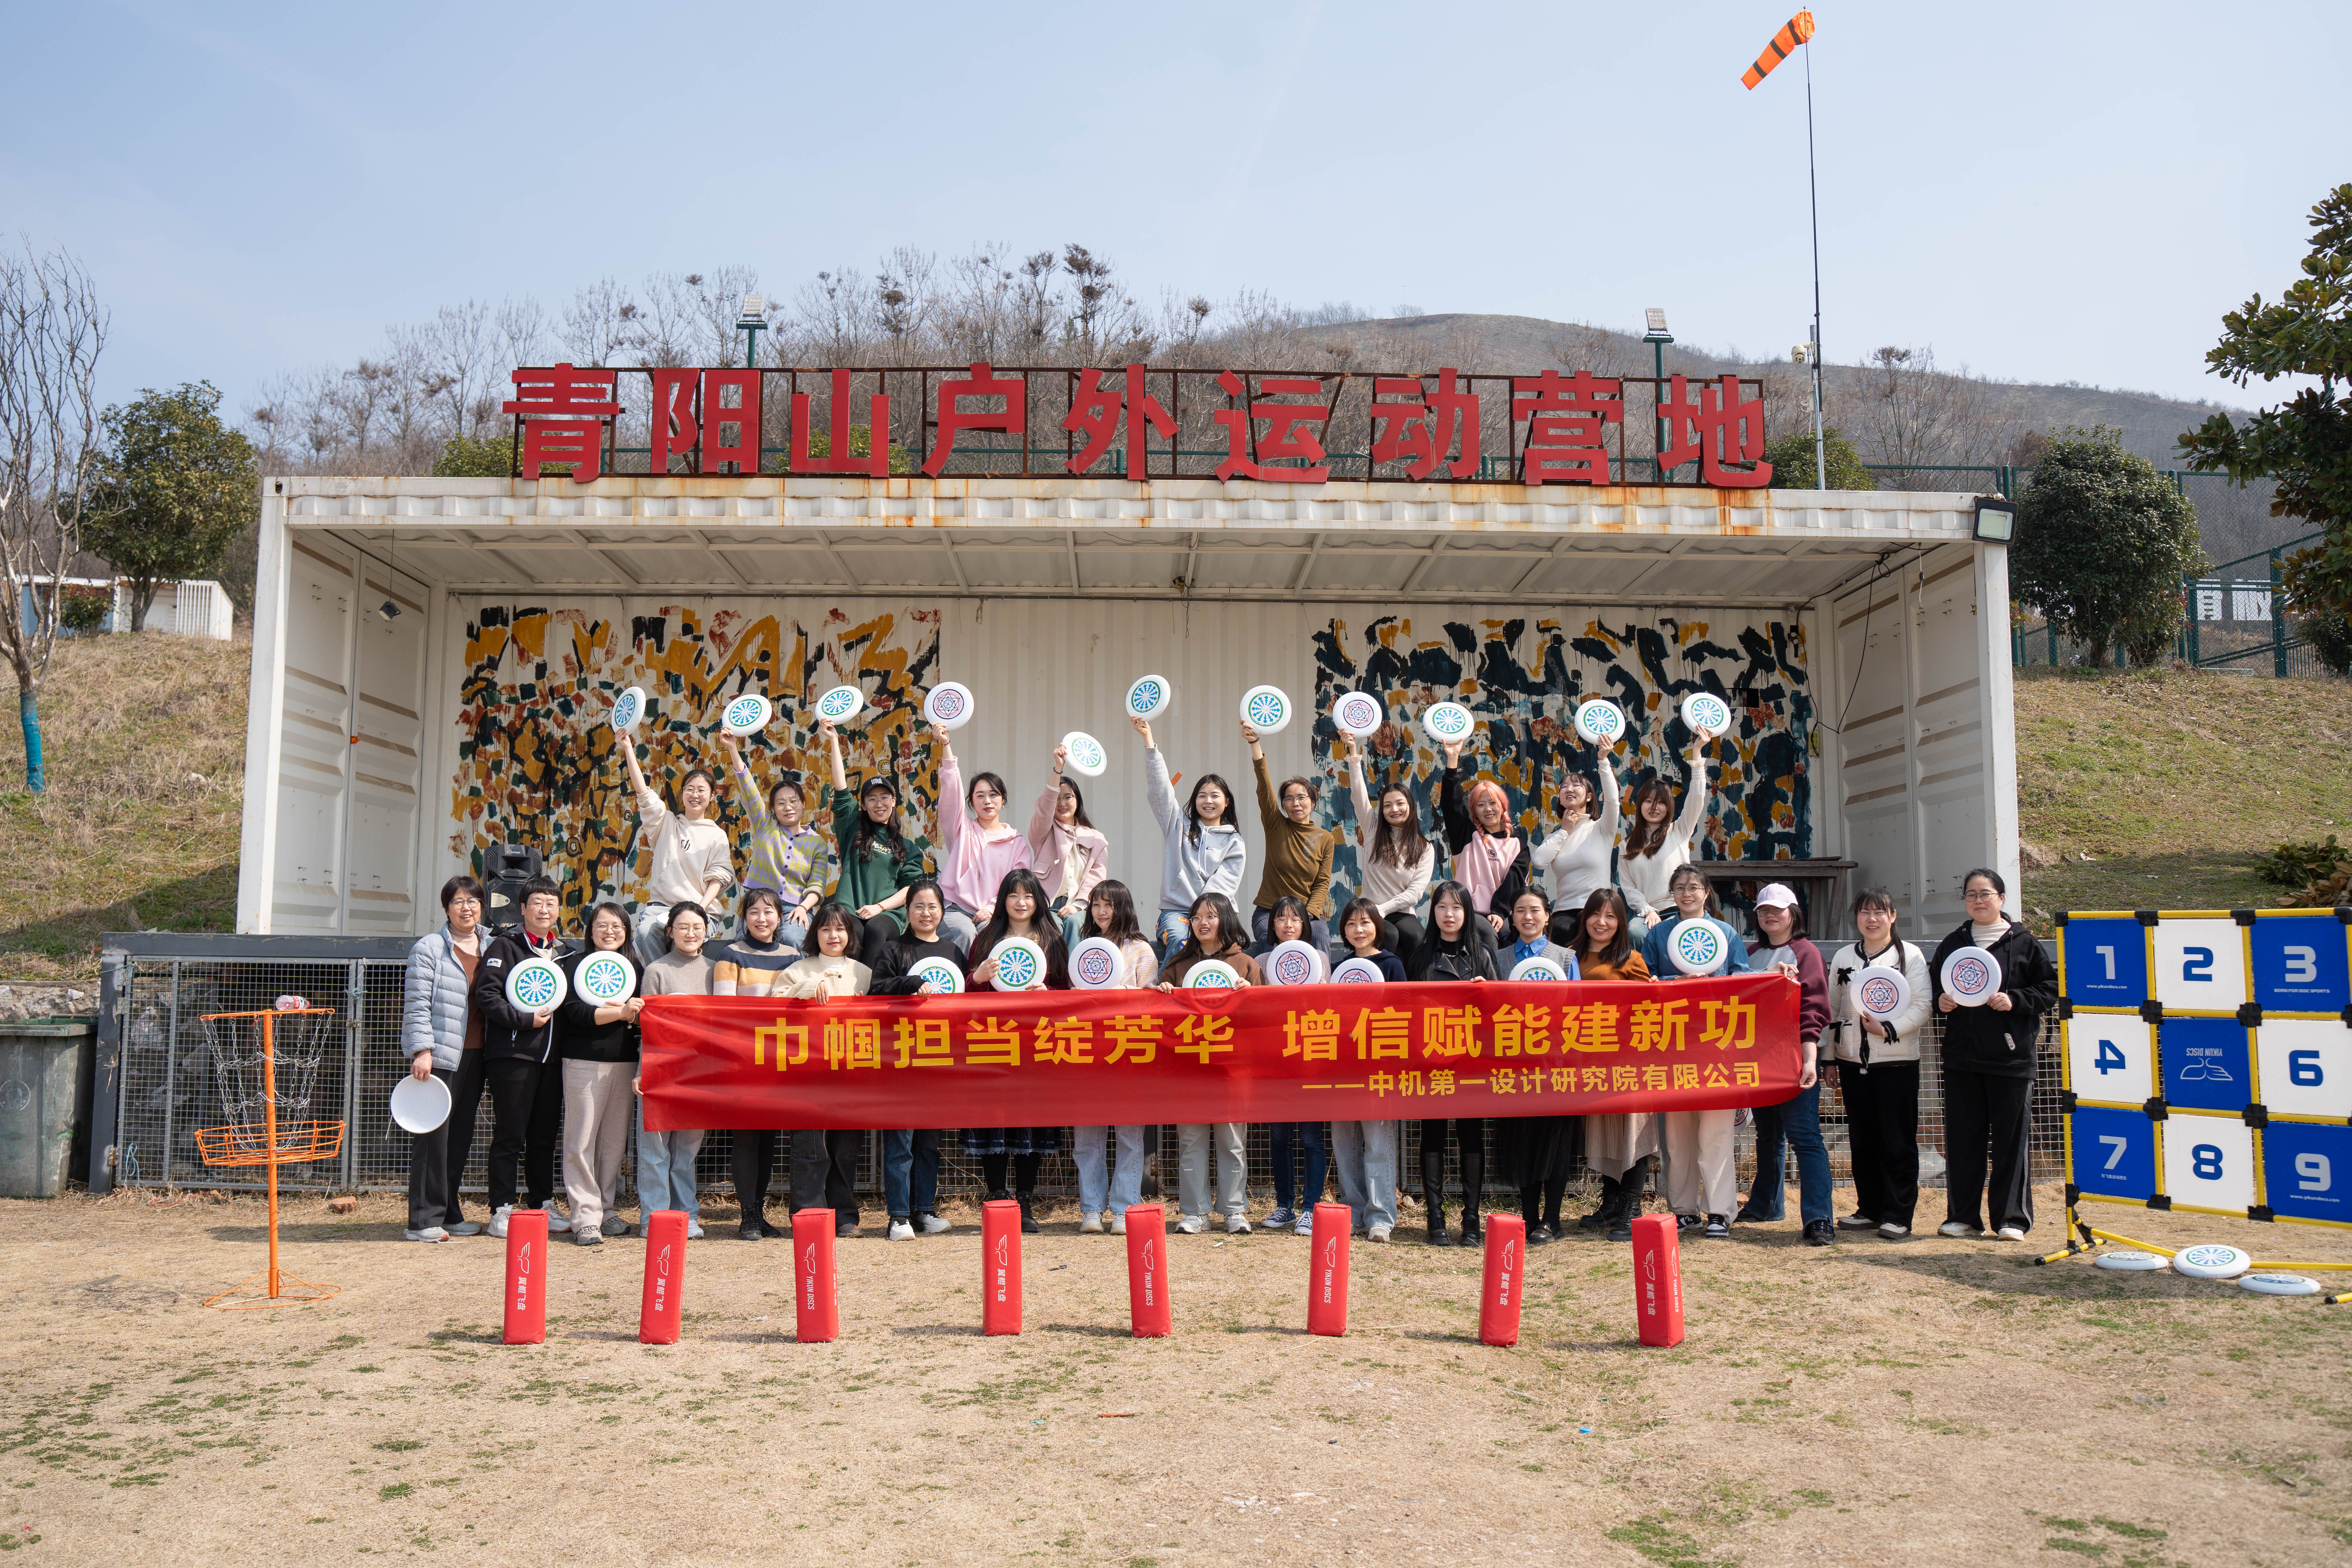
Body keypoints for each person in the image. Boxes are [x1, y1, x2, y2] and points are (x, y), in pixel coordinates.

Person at [1932, 868, 2058, 1242]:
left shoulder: (2024, 943)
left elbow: (2049, 989)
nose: (1978, 900)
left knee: (2011, 1141)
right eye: (1971, 894)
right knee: (1963, 1140)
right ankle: (1963, 1218)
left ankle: (2012, 1219)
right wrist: (1942, 1002)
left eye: (1985, 893)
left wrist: (2015, 1000)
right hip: (1962, 1059)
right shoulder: (1954, 943)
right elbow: (1934, 985)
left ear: (2001, 899)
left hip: (2011, 1059)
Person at [1640, 864, 1752, 1239]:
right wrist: (1677, 982)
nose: (1687, 894)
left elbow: (1743, 979)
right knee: (1677, 1136)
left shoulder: (1727, 933)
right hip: (1672, 1045)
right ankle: (1683, 1209)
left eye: (1694, 888)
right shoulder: (1658, 934)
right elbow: (1644, 982)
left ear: (1706, 893)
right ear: (1672, 894)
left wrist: (1713, 984)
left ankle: (1720, 1211)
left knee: (1716, 1132)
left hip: (1717, 1044)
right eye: (1680, 888)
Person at [965, 868, 1071, 1233]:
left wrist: (1049, 994)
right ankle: (997, 1199)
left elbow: (1068, 992)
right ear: (1003, 901)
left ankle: (1025, 1202)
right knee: (993, 1119)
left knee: (1031, 1121)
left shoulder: (1054, 940)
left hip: (1036, 1044)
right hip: (993, 1043)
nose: (1021, 902)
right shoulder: (986, 939)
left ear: (1038, 900)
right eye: (1013, 895)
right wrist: (977, 980)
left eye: (1028, 895)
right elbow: (964, 993)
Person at [1824, 886, 1932, 1242]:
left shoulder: (1909, 956)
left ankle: (1898, 1214)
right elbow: (1832, 1008)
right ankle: (1870, 1208)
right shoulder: (1844, 957)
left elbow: (1922, 1006)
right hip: (1852, 1062)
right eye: (1864, 912)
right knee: (1863, 1139)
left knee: (1897, 1141)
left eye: (1879, 912)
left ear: (1893, 916)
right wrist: (1829, 1058)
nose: (1872, 919)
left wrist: (1888, 1029)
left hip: (1897, 1063)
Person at [470, 875, 572, 1238]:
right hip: (513, 1055)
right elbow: (488, 995)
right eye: (537, 903)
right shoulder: (506, 945)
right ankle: (501, 1208)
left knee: (544, 1137)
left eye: (551, 904)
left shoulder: (564, 952)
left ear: (558, 910)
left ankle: (542, 1203)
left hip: (552, 1059)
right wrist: (523, 1021)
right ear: (524, 908)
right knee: (510, 1135)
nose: (544, 910)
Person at [1158, 891, 1265, 1233]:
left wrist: (1251, 994)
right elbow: (1161, 1020)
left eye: (1211, 916)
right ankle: (1195, 1212)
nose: (1203, 923)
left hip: (1232, 1068)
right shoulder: (1177, 965)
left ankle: (1234, 1210)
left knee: (1232, 1140)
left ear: (1226, 919)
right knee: (1191, 1140)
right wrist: (1163, 993)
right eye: (1197, 917)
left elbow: (1263, 1020)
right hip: (1189, 1068)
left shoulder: (1246, 964)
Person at [1735, 884, 1834, 1245]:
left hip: (1794, 1056)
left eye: (1777, 910)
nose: (1770, 916)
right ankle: (1766, 1204)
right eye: (1763, 911)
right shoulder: (1750, 953)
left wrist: (1810, 1058)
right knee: (1768, 1134)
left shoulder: (1806, 953)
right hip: (1760, 1058)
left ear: (1794, 913)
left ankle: (1819, 1218)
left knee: (1804, 1135)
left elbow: (1813, 1009)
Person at [870, 880, 964, 1240]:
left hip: (938, 1059)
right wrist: (909, 984)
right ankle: (898, 1216)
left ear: (943, 910)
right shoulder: (893, 949)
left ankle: (925, 1210)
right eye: (919, 906)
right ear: (907, 911)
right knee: (900, 1140)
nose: (926, 913)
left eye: (933, 906)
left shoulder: (953, 951)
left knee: (929, 1142)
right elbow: (876, 990)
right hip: (900, 1058)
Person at [776, 900, 875, 1238]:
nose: (834, 935)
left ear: (850, 934)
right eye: (826, 929)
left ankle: (844, 1216)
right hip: (807, 1076)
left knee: (846, 1148)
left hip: (851, 1074)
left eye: (841, 929)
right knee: (810, 1147)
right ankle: (809, 1214)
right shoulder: (797, 970)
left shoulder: (864, 973)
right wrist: (806, 991)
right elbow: (773, 1007)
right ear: (814, 934)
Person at [1409, 880, 1498, 1245]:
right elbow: (1407, 1012)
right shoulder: (1420, 957)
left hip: (1470, 1061)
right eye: (1442, 907)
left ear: (1468, 913)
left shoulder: (1482, 956)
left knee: (1471, 1136)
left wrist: (1485, 991)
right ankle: (1436, 1218)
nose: (1449, 914)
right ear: (1433, 912)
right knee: (1432, 1136)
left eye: (1457, 908)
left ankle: (1472, 1219)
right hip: (1432, 1061)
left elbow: (1500, 1013)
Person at [400, 874, 488, 1242]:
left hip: (479, 1054)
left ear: (482, 906)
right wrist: (422, 1051)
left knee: (460, 1135)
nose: (466, 908)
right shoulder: (430, 948)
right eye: (458, 902)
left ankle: (450, 1213)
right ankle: (423, 1219)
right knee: (433, 1136)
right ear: (447, 908)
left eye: (473, 901)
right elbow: (417, 1003)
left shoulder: (492, 944)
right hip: (441, 1056)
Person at [1069, 879, 1157, 1235]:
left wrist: (1123, 991)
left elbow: (1151, 1000)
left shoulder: (1141, 950)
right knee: (1087, 1137)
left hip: (1128, 1053)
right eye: (1096, 905)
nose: (1102, 912)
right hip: (1088, 1055)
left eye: (1109, 905)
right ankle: (1091, 1209)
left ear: (1124, 908)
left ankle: (1124, 1209)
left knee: (1130, 1137)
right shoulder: (1082, 948)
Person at [711, 888, 800, 1239]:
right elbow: (724, 1012)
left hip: (779, 1060)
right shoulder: (731, 954)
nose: (761, 919)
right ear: (744, 917)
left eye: (768, 912)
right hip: (745, 1058)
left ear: (780, 917)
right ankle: (747, 1215)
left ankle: (759, 1211)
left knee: (769, 1138)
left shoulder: (793, 956)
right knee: (747, 1136)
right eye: (754, 912)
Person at [1494, 888, 1582, 1243]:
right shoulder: (1499, 958)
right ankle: (1529, 1217)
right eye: (1520, 910)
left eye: (1535, 910)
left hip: (1556, 1064)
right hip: (1515, 1066)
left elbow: (1578, 1008)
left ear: (1548, 916)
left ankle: (1553, 1220)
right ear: (1512, 918)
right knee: (1523, 1141)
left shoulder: (1565, 957)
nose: (1527, 917)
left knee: (1556, 1142)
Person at [1570, 887, 1656, 1243]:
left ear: (1621, 922)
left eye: (1610, 916)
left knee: (1633, 1128)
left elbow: (1648, 1010)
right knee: (1603, 1129)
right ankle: (1611, 1202)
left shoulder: (1632, 959)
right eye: (1595, 914)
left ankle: (1632, 1206)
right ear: (1585, 918)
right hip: (1590, 1060)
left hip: (1628, 1060)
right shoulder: (1570, 957)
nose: (1601, 922)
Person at [554, 901, 642, 1247]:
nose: (610, 932)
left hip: (625, 1063)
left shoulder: (635, 967)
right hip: (583, 1061)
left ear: (627, 932)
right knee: (581, 1140)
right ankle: (585, 1216)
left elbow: (643, 1013)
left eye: (617, 926)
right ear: (590, 931)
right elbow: (574, 1011)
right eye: (602, 925)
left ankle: (606, 1209)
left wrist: (631, 1015)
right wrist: (621, 1013)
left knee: (613, 1142)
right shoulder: (575, 964)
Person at [1134, 715, 1248, 957]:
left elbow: (1223, 888)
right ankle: (1171, 983)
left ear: (1227, 802)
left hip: (1217, 914)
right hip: (1177, 913)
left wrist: (1203, 917)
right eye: (1202, 796)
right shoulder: (1177, 825)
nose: (1208, 801)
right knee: (1181, 941)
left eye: (1215, 796)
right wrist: (1149, 742)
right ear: (1195, 801)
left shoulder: (1234, 842)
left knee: (1229, 949)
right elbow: (1160, 790)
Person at [820, 715, 928, 969]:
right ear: (864, 805)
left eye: (884, 798)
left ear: (894, 802)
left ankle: (870, 988)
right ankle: (847, 986)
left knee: (877, 929)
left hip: (888, 913)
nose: (879, 804)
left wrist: (879, 907)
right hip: (851, 907)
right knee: (853, 929)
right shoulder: (853, 827)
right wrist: (834, 741)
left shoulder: (909, 848)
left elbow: (910, 889)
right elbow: (841, 787)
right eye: (872, 799)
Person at [1250, 894, 1330, 1236]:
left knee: (1312, 1138)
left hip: (1310, 1058)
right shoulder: (1262, 960)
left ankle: (1311, 1208)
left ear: (1305, 924)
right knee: (1279, 1137)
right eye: (1281, 918)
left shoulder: (1321, 959)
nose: (1288, 924)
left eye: (1295, 918)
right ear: (1272, 925)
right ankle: (1285, 1205)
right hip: (1275, 1062)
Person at [618, 735, 734, 965]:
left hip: (701, 910)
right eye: (690, 789)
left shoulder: (717, 835)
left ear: (712, 797)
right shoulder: (666, 823)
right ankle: (658, 980)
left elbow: (719, 878)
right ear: (682, 793)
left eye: (702, 790)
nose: (695, 795)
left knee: (686, 942)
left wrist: (698, 910)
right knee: (646, 933)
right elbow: (644, 794)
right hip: (662, 907)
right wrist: (629, 749)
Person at [1328, 897, 1405, 1242]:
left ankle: (1381, 1216)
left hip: (1379, 1067)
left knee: (1377, 1141)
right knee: (1344, 1141)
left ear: (1378, 926)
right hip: (1343, 1068)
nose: (1358, 930)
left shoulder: (1392, 965)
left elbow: (1403, 1014)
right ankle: (1354, 1211)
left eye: (1365, 923)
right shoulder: (1338, 968)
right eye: (1351, 924)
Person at [636, 901, 713, 1239]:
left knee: (687, 1151)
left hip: (699, 1074)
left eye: (698, 927)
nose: (691, 933)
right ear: (670, 931)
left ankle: (687, 1215)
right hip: (661, 1071)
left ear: (707, 932)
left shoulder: (715, 971)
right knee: (655, 1149)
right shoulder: (657, 971)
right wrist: (642, 1070)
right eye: (683, 926)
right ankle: (654, 1217)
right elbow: (648, 1027)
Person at [720, 732, 836, 952]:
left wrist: (804, 908)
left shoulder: (817, 843)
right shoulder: (765, 825)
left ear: (803, 804)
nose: (788, 807)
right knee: (743, 944)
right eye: (781, 803)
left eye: (793, 801)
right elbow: (748, 790)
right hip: (759, 903)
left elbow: (817, 886)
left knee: (794, 940)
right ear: (773, 809)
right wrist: (733, 748)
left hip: (795, 908)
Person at [933, 725, 1033, 955]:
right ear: (971, 802)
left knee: (996, 939)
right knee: (965, 933)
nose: (987, 801)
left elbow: (1017, 886)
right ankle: (964, 980)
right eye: (980, 796)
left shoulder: (1017, 843)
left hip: (994, 913)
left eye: (994, 795)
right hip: (956, 909)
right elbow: (951, 794)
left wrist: (991, 908)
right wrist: (946, 746)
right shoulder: (961, 828)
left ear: (1003, 801)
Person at [1340, 733, 1434, 970]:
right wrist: (1353, 754)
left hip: (1401, 912)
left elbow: (1415, 894)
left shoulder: (1424, 847)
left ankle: (1418, 989)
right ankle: (1379, 984)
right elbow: (1358, 796)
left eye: (1400, 804)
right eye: (1388, 805)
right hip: (1369, 910)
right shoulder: (1373, 829)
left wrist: (1383, 909)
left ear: (1410, 807)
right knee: (1389, 935)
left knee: (1417, 938)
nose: (1395, 810)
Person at [1244, 721, 1338, 952]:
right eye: (1289, 799)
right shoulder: (1276, 825)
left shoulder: (1325, 838)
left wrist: (1307, 915)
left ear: (1313, 802)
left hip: (1306, 913)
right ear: (1284, 805)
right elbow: (1265, 789)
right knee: (1272, 941)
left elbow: (1322, 883)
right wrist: (1255, 744)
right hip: (1269, 912)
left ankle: (1322, 980)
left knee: (1320, 939)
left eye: (1301, 798)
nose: (1295, 803)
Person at [1436, 735, 1530, 951]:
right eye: (1481, 805)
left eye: (1493, 803)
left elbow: (1514, 882)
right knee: (1487, 934)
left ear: (1503, 807)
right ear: (1475, 811)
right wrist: (1453, 760)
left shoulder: (1518, 845)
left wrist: (1499, 912)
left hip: (1504, 913)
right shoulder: (1467, 837)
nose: (1488, 809)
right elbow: (1451, 805)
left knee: (1516, 937)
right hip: (1470, 912)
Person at [1618, 738, 1712, 942]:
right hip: (1649, 914)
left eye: (1661, 803)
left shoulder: (1679, 830)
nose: (1654, 808)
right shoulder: (1626, 845)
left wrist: (1697, 753)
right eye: (1648, 801)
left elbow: (1697, 798)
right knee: (1635, 931)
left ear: (1669, 807)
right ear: (1640, 805)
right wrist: (1648, 911)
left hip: (1682, 908)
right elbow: (1629, 888)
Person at [1532, 749, 1622, 949]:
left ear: (1589, 797)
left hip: (1598, 909)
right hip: (1564, 912)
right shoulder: (1556, 836)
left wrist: (1603, 761)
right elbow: (1539, 862)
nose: (1569, 789)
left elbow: (1613, 801)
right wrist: (1565, 831)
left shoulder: (1601, 829)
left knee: (1586, 923)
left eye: (1576, 785)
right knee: (1561, 930)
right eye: (1564, 786)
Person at [1028, 743, 1110, 949]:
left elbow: (1097, 877)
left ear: (1078, 801)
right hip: (1047, 904)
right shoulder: (1043, 831)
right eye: (1057, 799)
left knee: (1076, 924)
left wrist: (1079, 906)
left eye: (1068, 797)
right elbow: (1045, 809)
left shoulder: (1096, 838)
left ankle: (1073, 971)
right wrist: (1058, 769)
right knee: (1052, 927)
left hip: (1080, 905)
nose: (1062, 803)